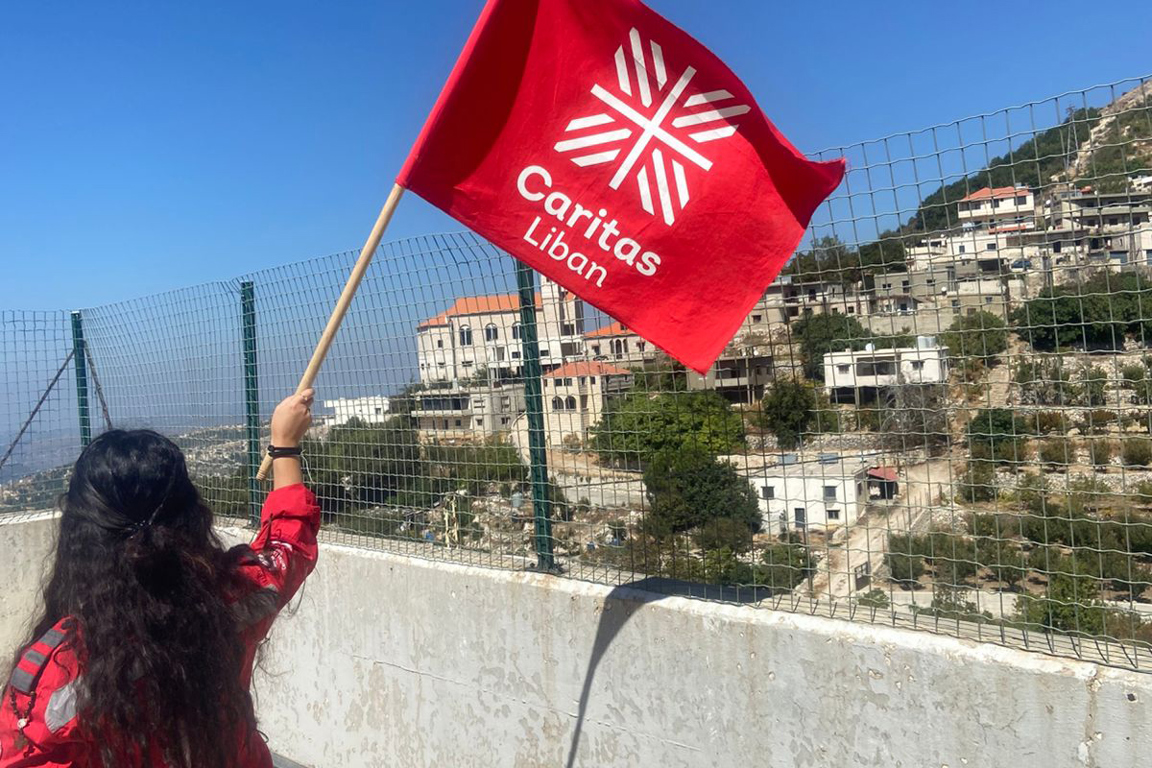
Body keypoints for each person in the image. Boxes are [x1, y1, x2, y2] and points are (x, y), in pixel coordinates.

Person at [0, 390, 319, 768]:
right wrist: (284, 445)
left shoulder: (54, 675)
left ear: (81, 534)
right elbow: (288, 540)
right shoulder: (235, 600)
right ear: (192, 515)